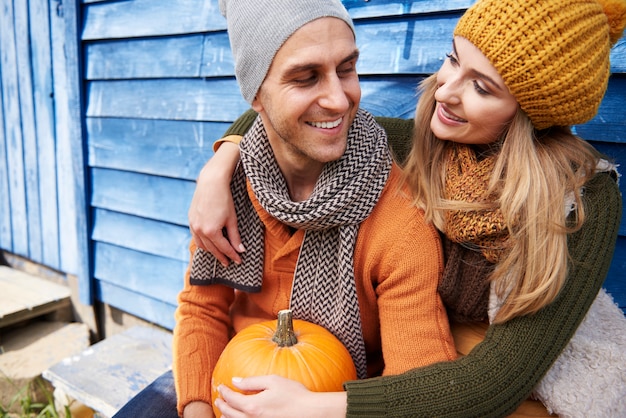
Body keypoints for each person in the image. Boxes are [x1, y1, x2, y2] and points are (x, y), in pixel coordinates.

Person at [191, 0, 626, 416]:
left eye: (481, 86)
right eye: (453, 60)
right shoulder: (426, 144)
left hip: (523, 388)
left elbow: (495, 382)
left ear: (532, 109)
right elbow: (290, 119)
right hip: (426, 368)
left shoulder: (581, 200)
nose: (445, 92)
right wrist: (219, 166)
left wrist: (315, 408)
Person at [114, 1, 458, 417]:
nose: (338, 99)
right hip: (227, 378)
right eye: (306, 77)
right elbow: (202, 309)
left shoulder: (398, 221)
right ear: (256, 94)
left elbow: (418, 387)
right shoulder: (230, 191)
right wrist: (200, 410)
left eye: (346, 69)